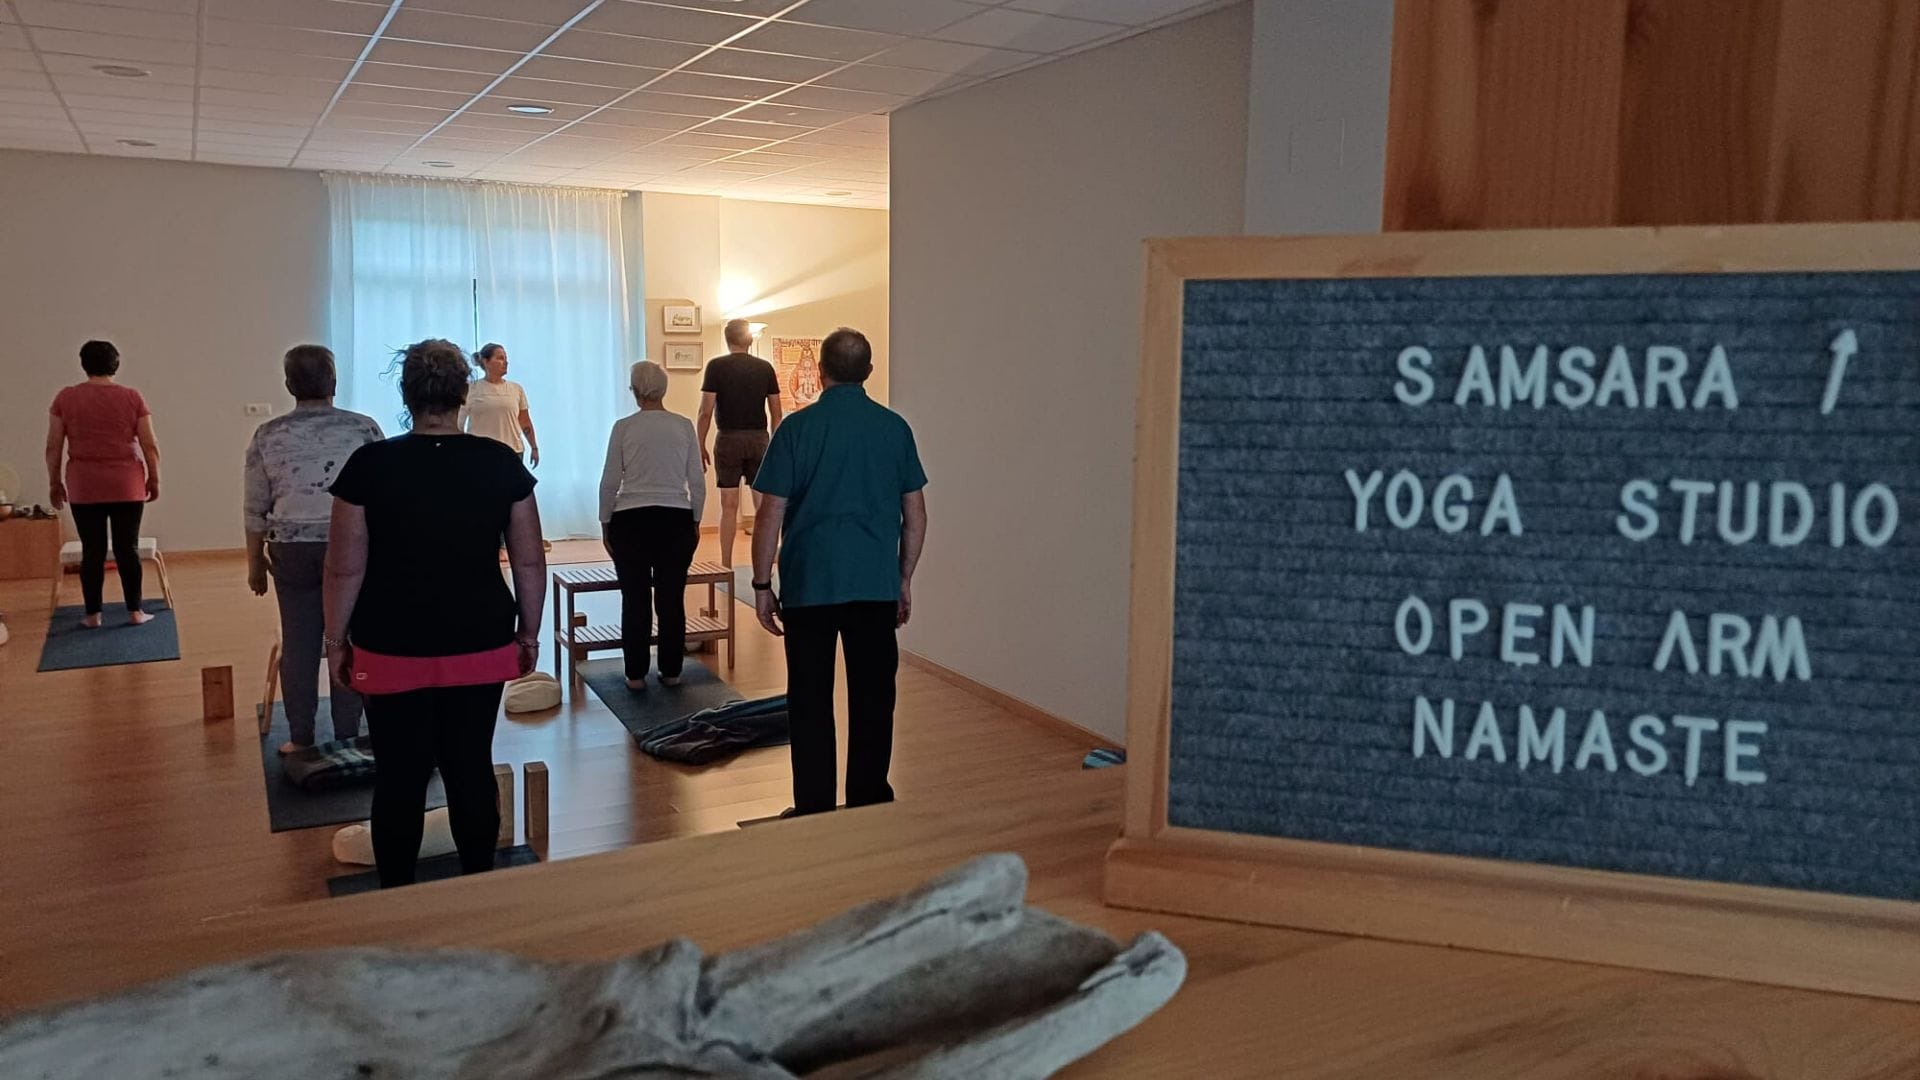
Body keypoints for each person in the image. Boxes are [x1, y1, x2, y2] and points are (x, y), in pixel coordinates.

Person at [323, 338, 546, 888]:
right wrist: (529, 634)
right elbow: (529, 560)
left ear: (407, 396)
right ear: (462, 394)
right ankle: (478, 888)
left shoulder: (369, 465)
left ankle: (397, 895)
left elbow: (344, 568)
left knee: (399, 775)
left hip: (389, 642)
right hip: (481, 638)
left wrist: (336, 642)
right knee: (469, 766)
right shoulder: (501, 463)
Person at [750, 328, 927, 816]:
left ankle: (814, 807)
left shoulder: (796, 429)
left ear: (822, 370)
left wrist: (762, 584)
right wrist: (903, 578)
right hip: (874, 585)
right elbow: (915, 514)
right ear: (868, 372)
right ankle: (868, 800)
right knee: (874, 698)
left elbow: (770, 512)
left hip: (809, 585)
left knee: (809, 699)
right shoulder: (894, 429)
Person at [243, 345, 384, 755]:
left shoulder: (267, 435)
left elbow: (255, 508)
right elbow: (383, 496)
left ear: (289, 385)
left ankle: (300, 736)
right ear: (333, 383)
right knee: (350, 639)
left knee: (299, 643)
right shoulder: (363, 429)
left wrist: (254, 564)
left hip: (291, 549)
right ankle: (347, 732)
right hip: (352, 546)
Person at [598, 361, 706, 691]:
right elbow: (697, 481)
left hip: (630, 520)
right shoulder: (683, 426)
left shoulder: (623, 427)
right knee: (672, 598)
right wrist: (696, 520)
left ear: (635, 391)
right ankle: (671, 671)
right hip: (676, 518)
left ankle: (635, 675)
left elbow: (610, 481)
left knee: (634, 598)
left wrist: (605, 522)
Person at [45, 340, 161, 628]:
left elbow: (53, 447)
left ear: (84, 364)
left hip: (84, 485)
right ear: (115, 365)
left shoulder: (66, 398)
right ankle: (135, 612)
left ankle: (92, 615)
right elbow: (150, 444)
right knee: (127, 548)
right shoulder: (132, 397)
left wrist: (54, 482)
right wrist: (154, 477)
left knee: (92, 550)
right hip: (126, 484)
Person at [698, 319, 783, 568]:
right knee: (762, 506)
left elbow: (705, 412)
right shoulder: (765, 368)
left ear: (727, 340)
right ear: (750, 340)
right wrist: (776, 445)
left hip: (728, 439)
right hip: (759, 439)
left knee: (728, 506)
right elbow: (776, 413)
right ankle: (766, 560)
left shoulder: (716, 366)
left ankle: (726, 564)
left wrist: (699, 443)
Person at [464, 343, 540, 468]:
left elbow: (525, 421)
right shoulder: (472, 389)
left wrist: (534, 447)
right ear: (486, 362)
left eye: (505, 358)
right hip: (481, 454)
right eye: (500, 358)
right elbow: (459, 422)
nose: (506, 362)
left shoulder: (516, 389)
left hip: (513, 452)